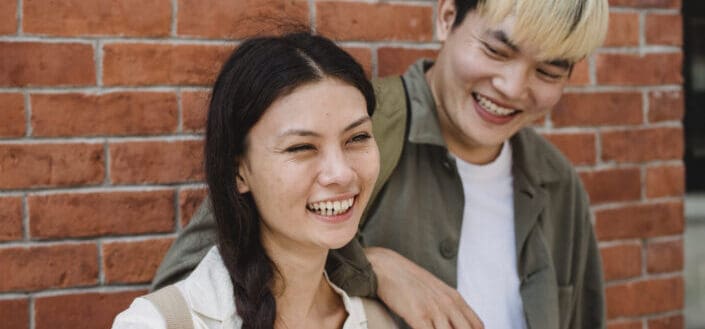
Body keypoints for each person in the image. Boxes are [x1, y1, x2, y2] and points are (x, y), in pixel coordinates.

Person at [153, 0, 610, 328]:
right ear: (447, 16)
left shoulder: (557, 182)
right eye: (496, 51)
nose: (513, 86)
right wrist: (370, 268)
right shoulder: (354, 126)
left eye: (549, 71)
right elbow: (185, 294)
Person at [112, 31, 396, 328]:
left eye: (358, 137)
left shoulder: (374, 322)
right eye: (301, 147)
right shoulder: (156, 323)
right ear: (238, 171)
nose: (341, 173)